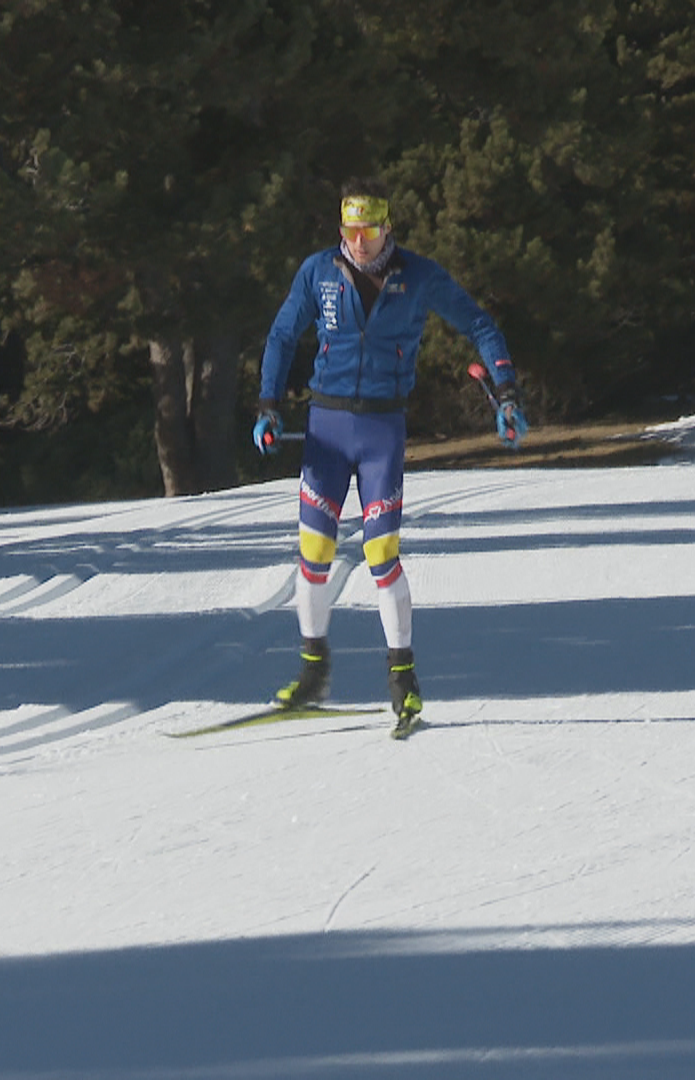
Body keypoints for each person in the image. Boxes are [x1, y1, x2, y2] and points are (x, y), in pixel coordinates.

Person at [252, 178, 526, 736]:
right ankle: (312, 671)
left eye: (369, 232)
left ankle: (403, 681)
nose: (359, 243)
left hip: (381, 430)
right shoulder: (319, 272)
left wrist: (507, 393)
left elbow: (479, 324)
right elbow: (283, 335)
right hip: (327, 427)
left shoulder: (419, 276)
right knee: (314, 552)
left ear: (388, 229)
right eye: (350, 232)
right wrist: (269, 405)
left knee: (381, 555)